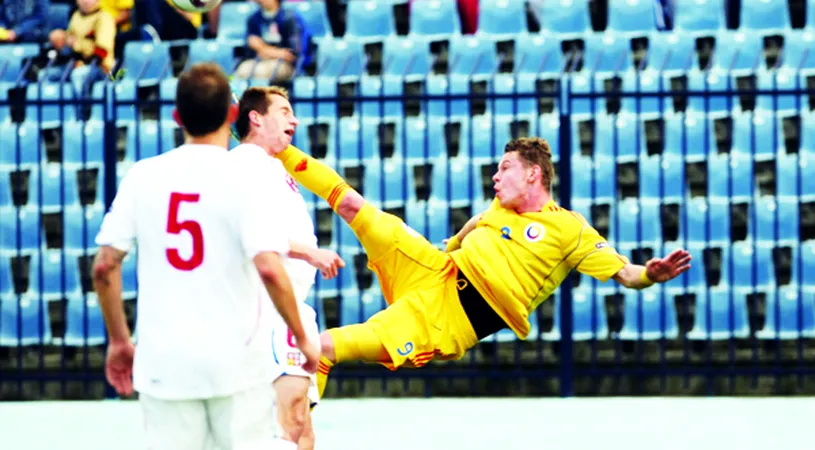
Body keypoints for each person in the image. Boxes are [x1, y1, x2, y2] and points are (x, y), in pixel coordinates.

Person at [273, 136, 693, 399]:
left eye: (504, 168)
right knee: (352, 204)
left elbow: (627, 275)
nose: (495, 177)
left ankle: (295, 425)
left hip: (446, 319)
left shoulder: (569, 229)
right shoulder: (500, 206)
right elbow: (480, 221)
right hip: (436, 268)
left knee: (323, 347)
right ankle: (274, 147)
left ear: (533, 175)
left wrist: (652, 274)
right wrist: (455, 242)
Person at [91, 62, 319, 450]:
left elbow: (104, 266)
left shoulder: (144, 176)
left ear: (176, 116)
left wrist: (119, 341)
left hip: (165, 363)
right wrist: (301, 335)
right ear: (232, 115)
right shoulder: (245, 177)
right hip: (237, 362)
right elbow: (269, 268)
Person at [230, 85, 344, 450]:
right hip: (271, 311)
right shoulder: (245, 162)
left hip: (294, 307)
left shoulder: (271, 166)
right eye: (283, 111)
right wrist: (310, 253)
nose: (293, 119)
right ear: (255, 118)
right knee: (288, 423)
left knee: (304, 428)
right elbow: (246, 227)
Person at [234, 0, 310, 83]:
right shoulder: (254, 19)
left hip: (285, 65)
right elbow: (250, 47)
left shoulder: (291, 18)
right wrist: (276, 52)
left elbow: (293, 55)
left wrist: (263, 49)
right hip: (259, 61)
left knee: (260, 72)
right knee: (242, 69)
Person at [48, 0, 117, 76]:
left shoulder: (104, 18)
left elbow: (102, 50)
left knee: (77, 74)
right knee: (46, 74)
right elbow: (69, 39)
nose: (86, 1)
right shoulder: (76, 16)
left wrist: (77, 46)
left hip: (101, 66)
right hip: (76, 61)